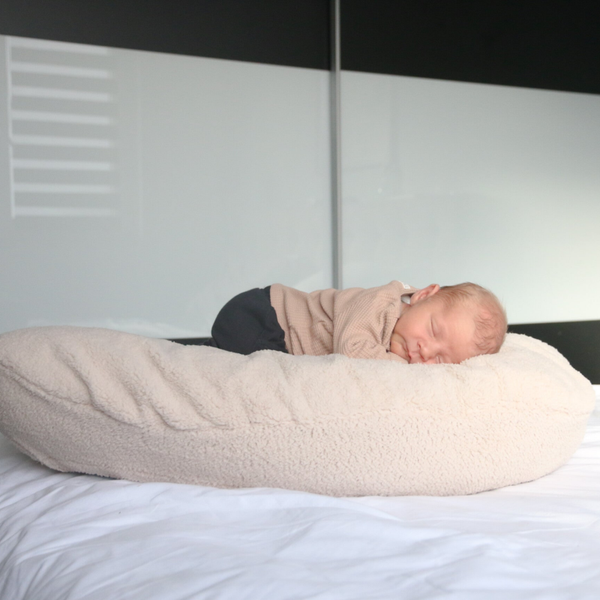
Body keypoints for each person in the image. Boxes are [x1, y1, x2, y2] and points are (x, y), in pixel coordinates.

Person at [199, 280, 507, 365]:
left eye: (440, 360)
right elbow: (352, 352)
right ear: (423, 296)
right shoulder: (378, 303)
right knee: (243, 368)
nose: (426, 351)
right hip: (263, 316)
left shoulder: (401, 339)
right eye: (433, 330)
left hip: (280, 340)